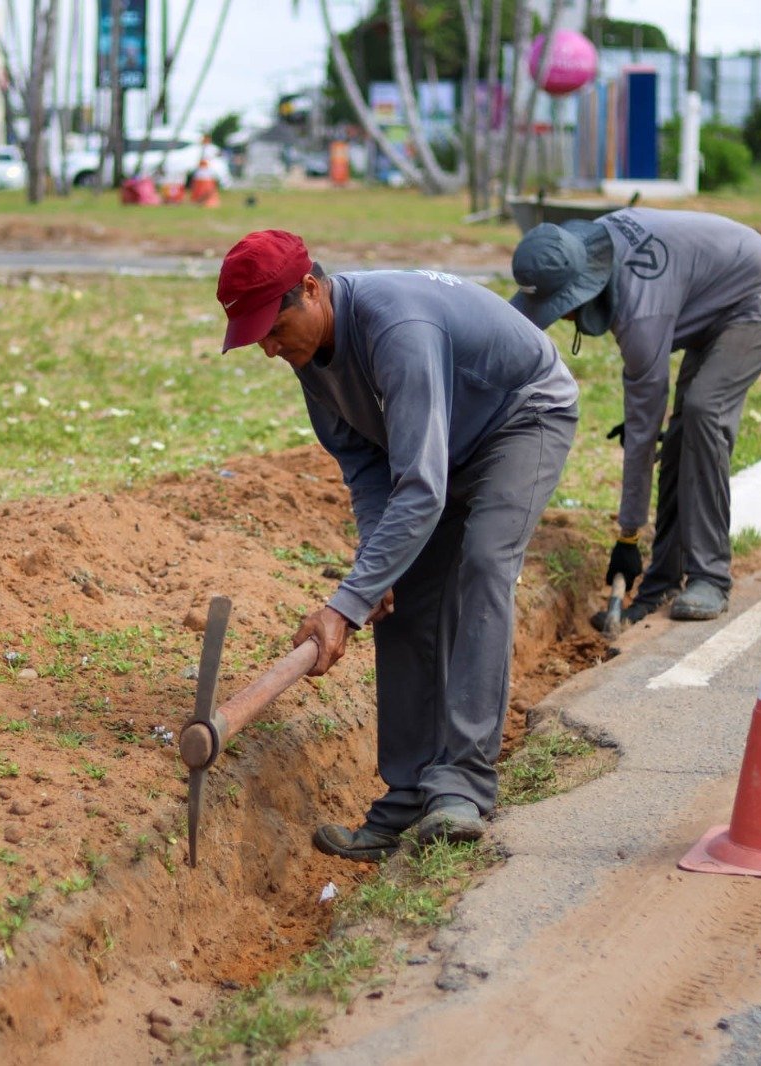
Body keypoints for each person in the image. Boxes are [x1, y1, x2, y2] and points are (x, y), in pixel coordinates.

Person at [216, 230, 579, 861]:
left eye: (274, 330)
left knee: (484, 567)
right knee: (398, 590)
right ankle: (408, 795)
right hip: (444, 443)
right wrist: (371, 578)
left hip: (521, 417)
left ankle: (463, 784)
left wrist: (343, 603)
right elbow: (364, 465)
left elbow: (421, 488)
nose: (271, 350)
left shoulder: (396, 329)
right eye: (257, 340)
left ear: (310, 289)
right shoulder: (313, 360)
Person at [510, 209, 761, 625]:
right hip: (714, 293)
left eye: (561, 310)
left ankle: (710, 576)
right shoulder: (593, 245)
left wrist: (627, 536)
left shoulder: (640, 312)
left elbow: (643, 436)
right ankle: (662, 580)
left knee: (704, 411)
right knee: (683, 432)